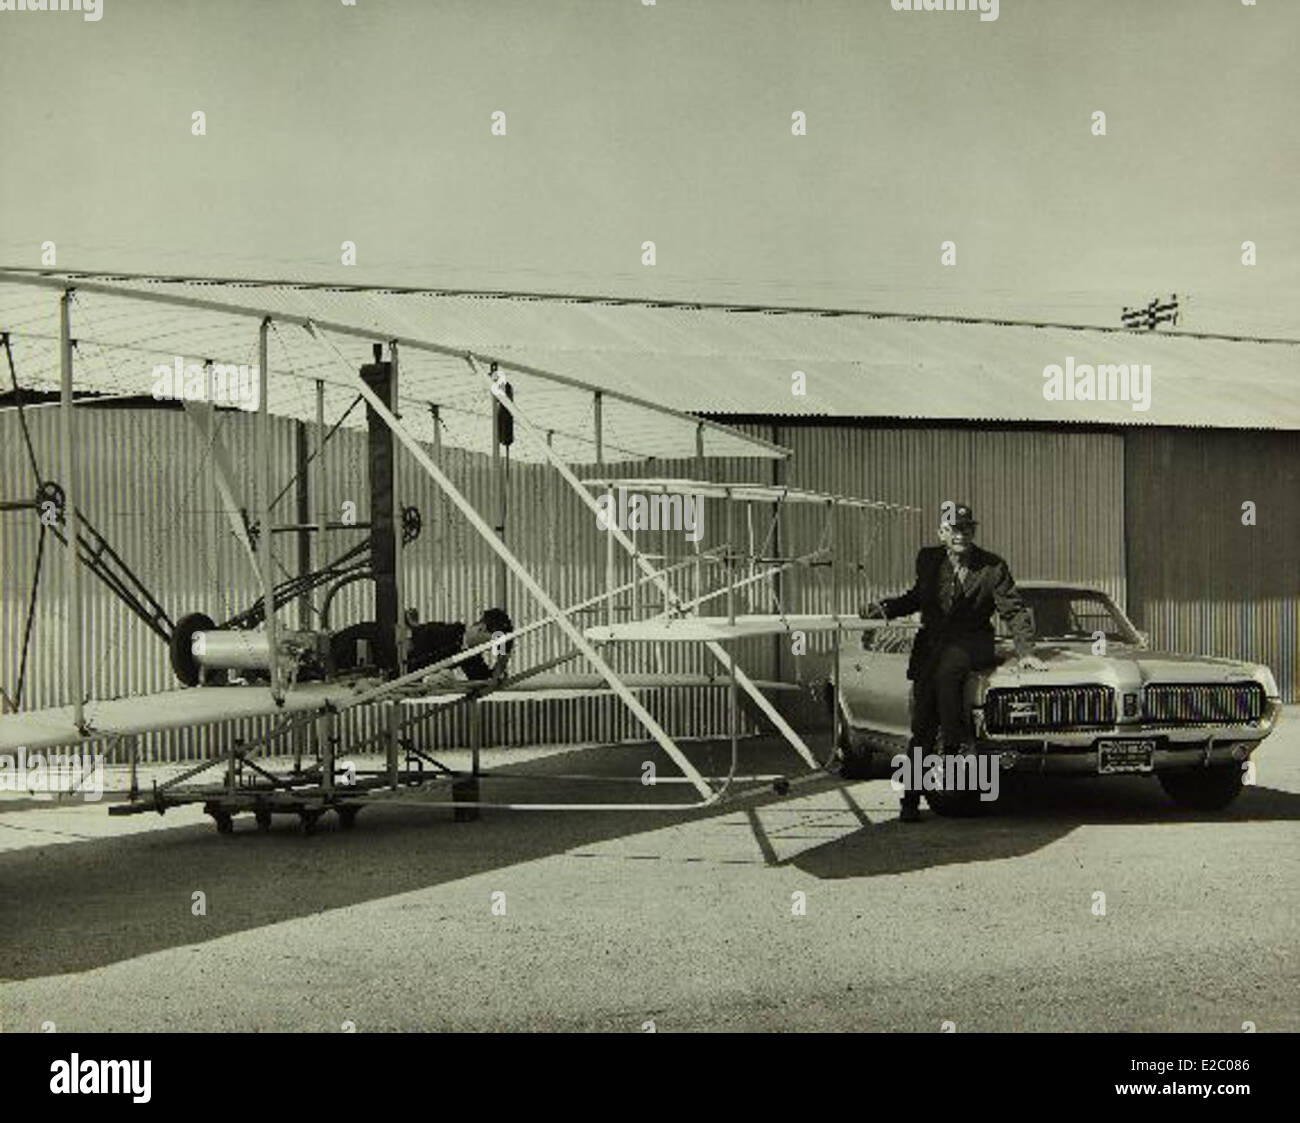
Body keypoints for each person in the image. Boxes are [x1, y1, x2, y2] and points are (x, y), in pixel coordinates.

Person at [860, 504, 1046, 821]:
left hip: (972, 643)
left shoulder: (992, 566)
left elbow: (1013, 611)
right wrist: (885, 609)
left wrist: (1026, 652)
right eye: (955, 529)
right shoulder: (928, 559)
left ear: (973, 532)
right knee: (921, 727)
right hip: (931, 651)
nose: (962, 535)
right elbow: (917, 597)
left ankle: (954, 746)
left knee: (950, 665)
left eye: (967, 529)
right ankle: (909, 800)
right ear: (942, 533)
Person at [330, 607, 514, 681]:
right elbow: (412, 654)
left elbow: (484, 679)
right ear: (481, 629)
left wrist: (504, 656)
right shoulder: (443, 633)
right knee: (326, 657)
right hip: (367, 641)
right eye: (493, 642)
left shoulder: (469, 653)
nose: (492, 649)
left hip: (378, 663)